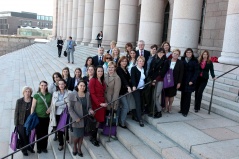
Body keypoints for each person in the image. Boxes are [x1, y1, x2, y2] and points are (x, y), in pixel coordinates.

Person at [68, 80, 94, 156]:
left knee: (82, 135)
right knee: (77, 136)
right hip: (77, 119)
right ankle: (74, 146)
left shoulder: (87, 94)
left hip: (85, 118)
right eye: (81, 85)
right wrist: (76, 118)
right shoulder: (72, 94)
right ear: (77, 86)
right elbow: (70, 108)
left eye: (84, 86)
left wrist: (90, 110)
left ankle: (79, 149)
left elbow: (89, 106)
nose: (82, 87)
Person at [31, 81, 52, 154]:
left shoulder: (50, 95)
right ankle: (39, 147)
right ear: (39, 86)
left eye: (45, 85)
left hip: (46, 117)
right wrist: (31, 116)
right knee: (38, 133)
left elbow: (52, 104)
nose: (43, 87)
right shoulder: (36, 95)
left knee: (45, 132)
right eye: (42, 85)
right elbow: (33, 106)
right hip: (38, 117)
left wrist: (50, 108)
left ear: (47, 86)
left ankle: (44, 147)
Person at [89, 66, 107, 146]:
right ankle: (93, 138)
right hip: (96, 103)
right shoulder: (93, 80)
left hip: (102, 102)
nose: (100, 72)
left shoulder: (102, 80)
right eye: (99, 71)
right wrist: (99, 103)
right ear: (96, 72)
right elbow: (92, 94)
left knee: (99, 121)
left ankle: (93, 137)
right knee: (95, 121)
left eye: (101, 71)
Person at [14, 86, 35, 156]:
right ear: (23, 93)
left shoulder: (33, 100)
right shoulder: (19, 101)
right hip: (21, 122)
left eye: (29, 92)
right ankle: (24, 149)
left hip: (30, 122)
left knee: (30, 136)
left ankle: (30, 147)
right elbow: (16, 112)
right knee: (22, 136)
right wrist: (16, 123)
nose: (27, 93)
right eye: (26, 91)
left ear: (31, 93)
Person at [51, 79, 71, 151]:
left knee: (65, 127)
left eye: (62, 84)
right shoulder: (55, 93)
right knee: (59, 128)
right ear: (58, 85)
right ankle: (61, 143)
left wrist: (61, 103)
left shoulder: (69, 93)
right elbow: (55, 104)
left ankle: (67, 137)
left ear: (65, 84)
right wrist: (64, 102)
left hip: (66, 113)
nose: (61, 85)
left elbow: (69, 104)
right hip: (58, 113)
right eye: (59, 84)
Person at [147, 48, 167, 118]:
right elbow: (151, 70)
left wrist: (156, 80)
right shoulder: (154, 59)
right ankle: (153, 110)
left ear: (164, 53)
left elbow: (162, 73)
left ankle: (159, 111)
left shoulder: (165, 61)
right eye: (159, 52)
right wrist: (151, 79)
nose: (160, 54)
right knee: (152, 96)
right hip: (153, 80)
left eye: (162, 52)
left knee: (155, 96)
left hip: (160, 81)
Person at [180, 48, 199, 117]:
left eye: (190, 52)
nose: (188, 53)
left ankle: (185, 111)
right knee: (183, 95)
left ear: (192, 54)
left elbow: (196, 72)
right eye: (187, 52)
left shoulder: (195, 61)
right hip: (183, 80)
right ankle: (181, 109)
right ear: (185, 53)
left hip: (190, 81)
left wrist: (192, 81)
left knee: (188, 97)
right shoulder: (182, 60)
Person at [164, 49, 184, 113]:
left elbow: (181, 73)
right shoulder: (168, 61)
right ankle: (166, 106)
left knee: (171, 95)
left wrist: (179, 82)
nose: (175, 55)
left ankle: (170, 106)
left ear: (178, 55)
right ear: (172, 54)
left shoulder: (180, 62)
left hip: (175, 81)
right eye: (174, 53)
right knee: (166, 95)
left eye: (177, 54)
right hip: (167, 80)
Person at [116, 56, 132, 128]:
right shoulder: (119, 69)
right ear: (120, 62)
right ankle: (122, 122)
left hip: (124, 91)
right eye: (123, 61)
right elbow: (123, 79)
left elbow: (129, 79)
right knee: (125, 106)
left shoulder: (125, 69)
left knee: (120, 106)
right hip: (120, 92)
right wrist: (128, 86)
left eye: (125, 61)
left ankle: (118, 121)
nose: (124, 62)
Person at [131, 56, 146, 127]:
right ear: (137, 61)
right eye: (140, 61)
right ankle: (140, 120)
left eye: (142, 61)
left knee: (142, 103)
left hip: (143, 88)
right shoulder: (133, 68)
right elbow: (133, 78)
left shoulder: (144, 69)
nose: (141, 62)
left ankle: (135, 115)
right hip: (136, 89)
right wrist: (134, 86)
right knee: (138, 103)